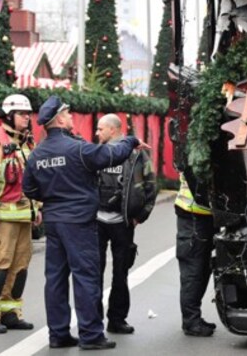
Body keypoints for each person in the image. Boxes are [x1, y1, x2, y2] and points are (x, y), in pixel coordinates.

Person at [22, 96, 149, 350]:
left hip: (54, 222)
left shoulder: (37, 155)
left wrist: (54, 197)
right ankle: (91, 335)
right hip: (79, 222)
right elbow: (113, 154)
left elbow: (29, 188)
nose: (71, 118)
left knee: (55, 278)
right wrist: (132, 139)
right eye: (68, 114)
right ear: (59, 119)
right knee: (86, 276)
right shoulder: (78, 149)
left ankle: (58, 334)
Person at [0, 94, 41, 334]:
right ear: (9, 116)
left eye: (28, 113)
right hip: (1, 220)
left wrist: (37, 209)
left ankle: (10, 312)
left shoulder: (26, 142)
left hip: (23, 217)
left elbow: (31, 181)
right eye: (23, 114)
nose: (27, 117)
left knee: (19, 267)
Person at [95, 114, 157, 335]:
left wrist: (141, 216)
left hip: (123, 223)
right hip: (97, 222)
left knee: (120, 273)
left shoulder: (137, 155)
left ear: (113, 130)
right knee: (94, 272)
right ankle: (93, 321)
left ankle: (117, 319)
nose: (97, 133)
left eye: (100, 129)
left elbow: (151, 186)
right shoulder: (97, 152)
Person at [175, 174, 217, 337]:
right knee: (193, 271)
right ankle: (191, 321)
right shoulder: (197, 153)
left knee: (203, 269)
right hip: (192, 214)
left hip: (203, 215)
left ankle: (194, 317)